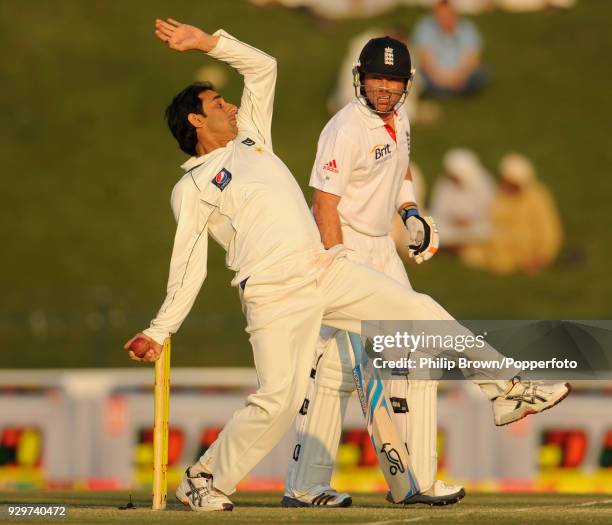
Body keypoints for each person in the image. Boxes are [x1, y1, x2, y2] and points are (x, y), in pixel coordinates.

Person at [125, 19, 570, 512]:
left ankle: (509, 388)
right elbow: (188, 264)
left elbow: (263, 67)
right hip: (273, 293)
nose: (230, 107)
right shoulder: (191, 188)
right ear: (194, 122)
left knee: (420, 311)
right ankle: (203, 478)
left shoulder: (250, 139)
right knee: (277, 402)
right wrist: (159, 330)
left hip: (324, 268)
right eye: (217, 105)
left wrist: (207, 43)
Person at [281, 37, 568, 509]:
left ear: (407, 85)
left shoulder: (401, 120)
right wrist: (339, 264)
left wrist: (412, 214)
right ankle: (507, 387)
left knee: (384, 364)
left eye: (394, 81)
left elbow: (401, 174)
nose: (385, 89)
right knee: (421, 320)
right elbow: (324, 203)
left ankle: (391, 482)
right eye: (377, 78)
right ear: (360, 77)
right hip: (344, 250)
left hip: (380, 250)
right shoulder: (344, 128)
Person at [461, 153, 563, 274]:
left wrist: (542, 255)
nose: (506, 185)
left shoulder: (537, 197)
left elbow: (548, 229)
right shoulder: (499, 194)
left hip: (525, 247)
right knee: (470, 253)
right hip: (496, 245)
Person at [412, 0, 487, 97]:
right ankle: (451, 92)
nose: (445, 19)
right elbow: (425, 60)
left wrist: (459, 77)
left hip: (461, 75)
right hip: (435, 75)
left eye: (448, 15)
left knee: (481, 74)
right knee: (419, 77)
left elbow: (473, 58)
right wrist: (441, 79)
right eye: (441, 15)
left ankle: (447, 92)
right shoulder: (426, 27)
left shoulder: (467, 28)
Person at [429, 148, 496, 248]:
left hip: (474, 225)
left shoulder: (483, 183)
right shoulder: (445, 183)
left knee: (486, 230)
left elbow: (489, 210)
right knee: (433, 228)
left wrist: (469, 220)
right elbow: (437, 209)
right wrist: (453, 219)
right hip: (450, 225)